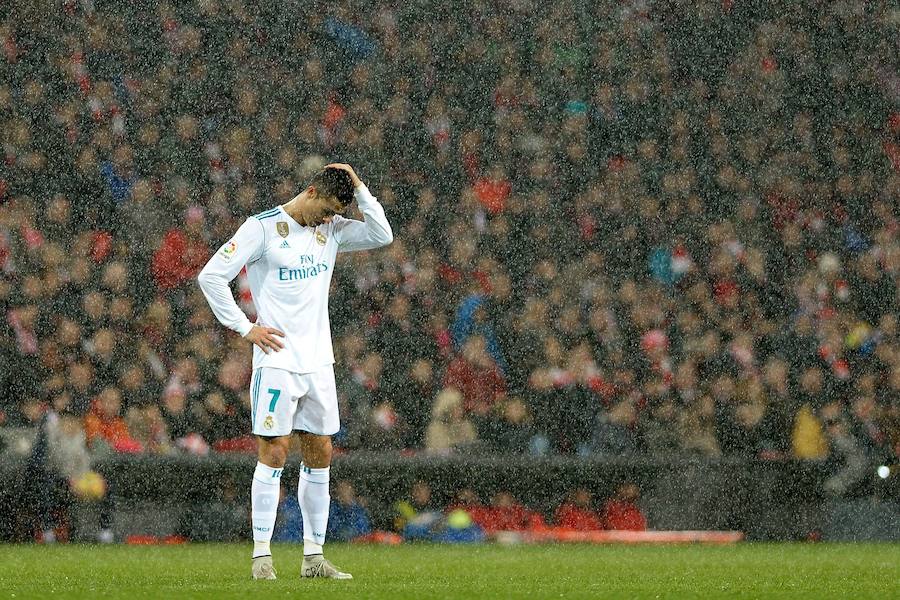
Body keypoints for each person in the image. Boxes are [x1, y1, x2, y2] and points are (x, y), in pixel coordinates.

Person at [197, 163, 392, 581]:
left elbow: (382, 234)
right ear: (310, 191)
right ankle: (262, 557)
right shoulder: (261, 228)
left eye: (335, 213)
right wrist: (246, 328)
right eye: (326, 210)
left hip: (319, 361)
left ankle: (314, 557)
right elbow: (211, 275)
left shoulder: (333, 229)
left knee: (320, 452)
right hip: (277, 361)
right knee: (274, 452)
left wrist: (359, 185)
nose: (329, 219)